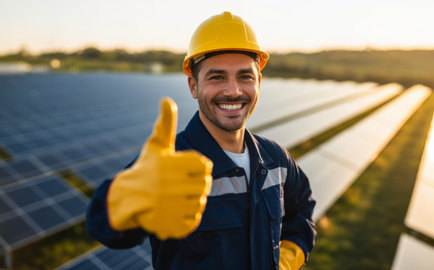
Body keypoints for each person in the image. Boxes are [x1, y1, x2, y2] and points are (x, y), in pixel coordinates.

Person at [86, 11, 316, 270]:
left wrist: (289, 256)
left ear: (259, 82)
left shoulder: (276, 159)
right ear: (193, 86)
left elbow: (302, 208)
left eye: (245, 76)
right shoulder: (172, 163)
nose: (233, 91)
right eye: (217, 77)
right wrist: (121, 200)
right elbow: (100, 225)